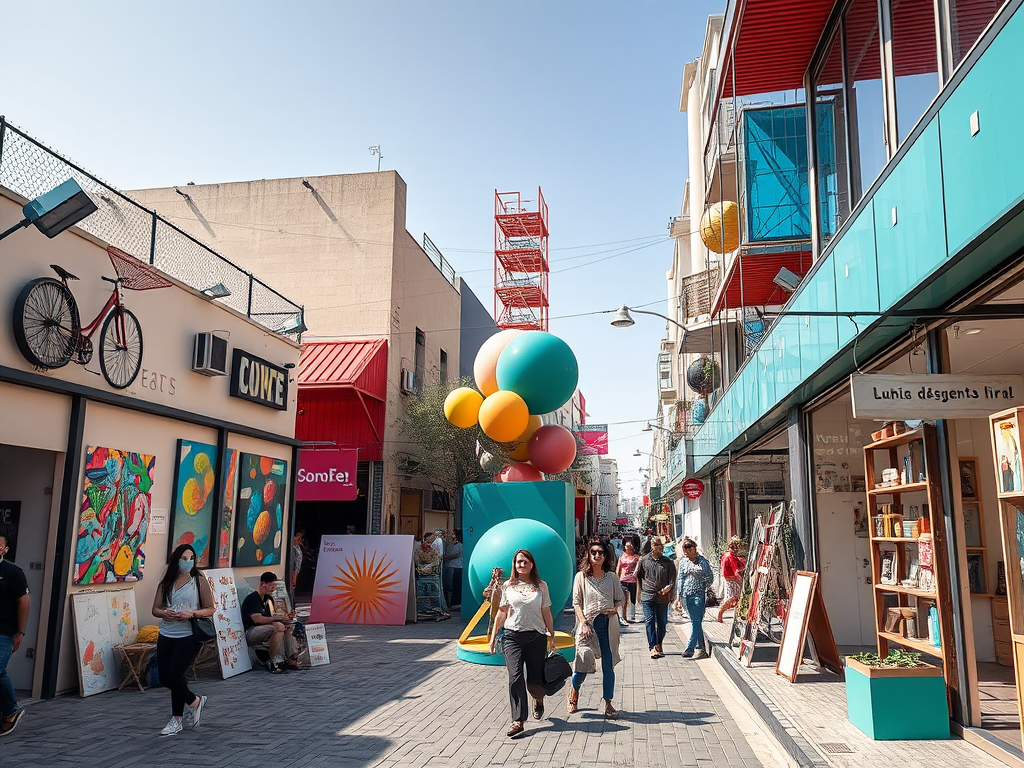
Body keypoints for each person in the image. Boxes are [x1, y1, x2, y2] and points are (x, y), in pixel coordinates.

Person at [488, 549, 557, 739]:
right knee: (515, 676)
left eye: (525, 562)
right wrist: (493, 637)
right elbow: (501, 612)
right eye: (518, 562)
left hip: (536, 637)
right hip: (512, 637)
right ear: (514, 565)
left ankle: (539, 698)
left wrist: (552, 636)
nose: (522, 565)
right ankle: (518, 720)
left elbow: (546, 612)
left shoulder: (541, 586)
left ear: (532, 564)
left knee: (535, 681)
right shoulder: (508, 586)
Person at [152, 543, 215, 736]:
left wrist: (192, 613)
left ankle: (176, 719)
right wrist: (165, 613)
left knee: (176, 675)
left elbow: (211, 608)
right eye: (184, 558)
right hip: (167, 633)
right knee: (165, 677)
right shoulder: (166, 582)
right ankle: (194, 701)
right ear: (176, 560)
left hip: (189, 635)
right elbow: (155, 609)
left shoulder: (199, 581)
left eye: (191, 559)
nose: (187, 562)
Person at [567, 539, 622, 719]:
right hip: (587, 626)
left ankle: (608, 703)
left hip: (607, 625)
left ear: (605, 556)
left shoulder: (612, 577)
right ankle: (574, 690)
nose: (597, 555)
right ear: (589, 556)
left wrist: (614, 609)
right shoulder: (581, 577)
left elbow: (620, 599)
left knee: (608, 666)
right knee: (582, 664)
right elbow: (576, 603)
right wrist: (583, 622)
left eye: (600, 553)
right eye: (594, 553)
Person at [0, 527, 29, 738]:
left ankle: (10, 711)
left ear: (5, 549)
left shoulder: (13, 573)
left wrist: (20, 632)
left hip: (4, 632)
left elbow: (24, 602)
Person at [242, 571, 300, 672]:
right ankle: (272, 660)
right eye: (270, 586)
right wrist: (276, 619)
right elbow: (257, 619)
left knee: (287, 627)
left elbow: (270, 616)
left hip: (264, 627)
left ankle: (290, 657)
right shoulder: (253, 598)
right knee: (277, 629)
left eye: (274, 586)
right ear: (262, 584)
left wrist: (283, 619)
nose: (273, 589)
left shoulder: (268, 599)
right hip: (251, 631)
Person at [633, 536, 676, 659]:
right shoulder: (644, 560)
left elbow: (673, 580)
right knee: (650, 621)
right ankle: (652, 647)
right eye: (657, 545)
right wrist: (639, 593)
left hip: (662, 597)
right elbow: (638, 576)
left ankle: (659, 642)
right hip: (647, 595)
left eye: (661, 545)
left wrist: (669, 588)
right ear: (652, 546)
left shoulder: (668, 562)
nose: (660, 548)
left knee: (662, 623)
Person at [677, 537, 714, 659]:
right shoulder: (683, 562)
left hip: (698, 594)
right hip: (686, 595)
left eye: (688, 549)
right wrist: (678, 595)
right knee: (695, 621)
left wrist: (699, 577)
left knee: (696, 621)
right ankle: (702, 648)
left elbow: (710, 578)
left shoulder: (702, 562)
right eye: (684, 549)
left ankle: (690, 647)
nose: (686, 552)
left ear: (694, 548)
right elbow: (680, 578)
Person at [717, 536, 746, 623]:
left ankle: (737, 617)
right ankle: (720, 613)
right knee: (731, 598)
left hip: (730, 579)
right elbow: (735, 571)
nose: (738, 548)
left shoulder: (727, 555)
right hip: (732, 579)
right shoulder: (730, 556)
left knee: (736, 598)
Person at [615, 537, 640, 626]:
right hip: (623, 579)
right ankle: (623, 616)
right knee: (623, 598)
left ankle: (632, 616)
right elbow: (618, 568)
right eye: (627, 545)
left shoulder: (637, 557)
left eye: (630, 545)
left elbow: (639, 569)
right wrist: (616, 579)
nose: (629, 547)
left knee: (632, 598)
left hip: (633, 580)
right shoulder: (622, 556)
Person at [443, 529, 463, 610]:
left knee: (452, 586)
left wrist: (446, 556)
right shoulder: (451, 544)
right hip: (450, 566)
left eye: (453, 534)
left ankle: (454, 603)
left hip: (455, 567)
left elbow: (451, 555)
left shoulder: (459, 545)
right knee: (449, 585)